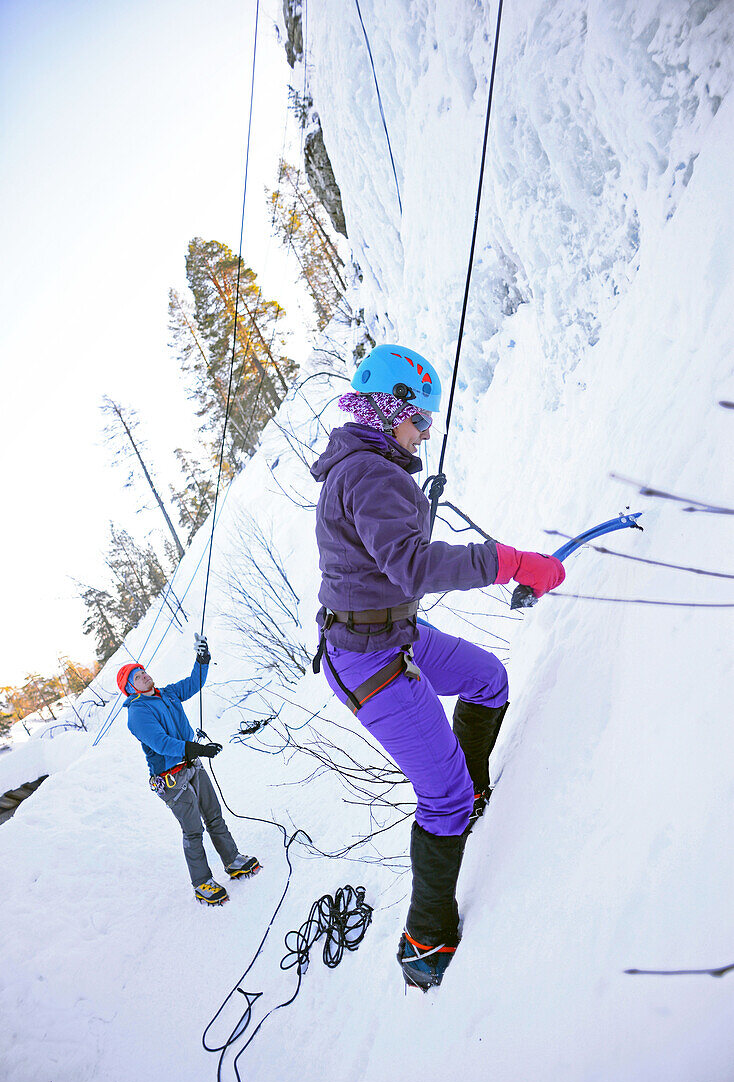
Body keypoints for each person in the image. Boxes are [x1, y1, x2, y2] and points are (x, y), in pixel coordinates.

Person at [310, 343, 565, 989]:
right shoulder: (369, 474)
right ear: (390, 410)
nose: (426, 430)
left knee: (487, 679)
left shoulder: (369, 467)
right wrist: (509, 561)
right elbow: (414, 567)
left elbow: (388, 554)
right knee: (441, 798)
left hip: (393, 635)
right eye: (420, 419)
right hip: (371, 659)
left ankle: (471, 790)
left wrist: (414, 507)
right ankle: (425, 939)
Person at [118, 633, 261, 905]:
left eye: (144, 671)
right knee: (193, 829)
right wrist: (197, 749)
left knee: (214, 816)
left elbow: (194, 683)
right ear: (130, 687)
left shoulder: (167, 693)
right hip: (170, 779)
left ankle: (232, 861)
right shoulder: (137, 713)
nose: (145, 676)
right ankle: (202, 882)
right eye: (137, 677)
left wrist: (202, 658)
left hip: (192, 765)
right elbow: (162, 744)